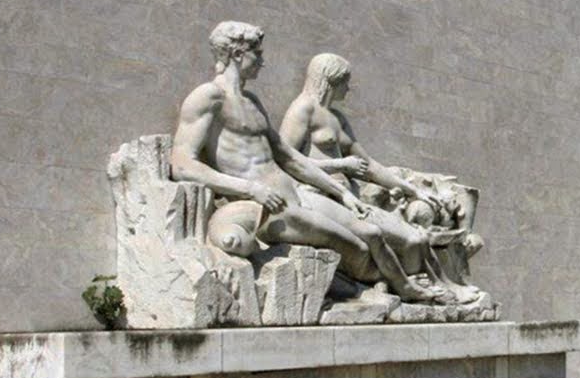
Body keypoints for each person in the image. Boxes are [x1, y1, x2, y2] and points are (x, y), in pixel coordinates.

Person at [167, 22, 413, 292]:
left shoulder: (251, 100)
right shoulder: (208, 97)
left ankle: (411, 290)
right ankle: (377, 289)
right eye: (257, 54)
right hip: (267, 208)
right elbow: (182, 165)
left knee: (372, 233)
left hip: (293, 193)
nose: (263, 61)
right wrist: (250, 189)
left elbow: (289, 157)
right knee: (357, 247)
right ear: (237, 54)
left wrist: (342, 194)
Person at [280, 53, 469, 289]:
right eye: (345, 81)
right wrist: (339, 165)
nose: (348, 88)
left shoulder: (336, 118)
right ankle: (410, 289)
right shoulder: (302, 109)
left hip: (352, 202)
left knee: (416, 238)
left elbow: (368, 165)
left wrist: (413, 191)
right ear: (331, 79)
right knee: (401, 239)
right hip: (321, 198)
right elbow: (285, 159)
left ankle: (431, 290)